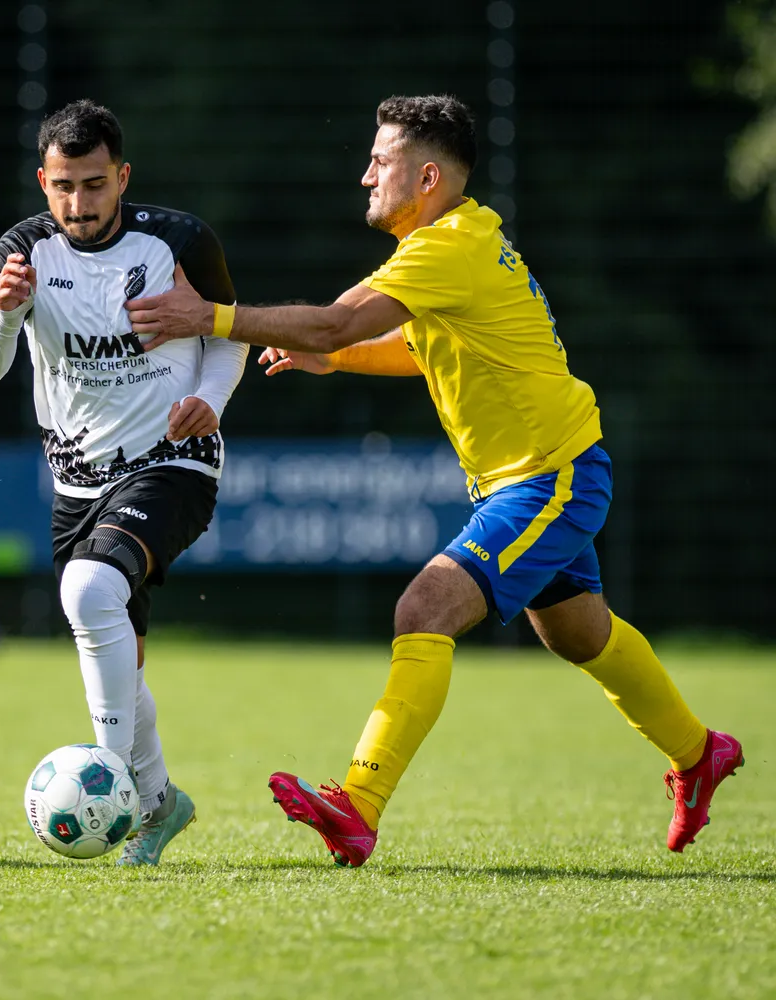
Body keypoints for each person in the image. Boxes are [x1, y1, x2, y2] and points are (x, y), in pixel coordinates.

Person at [126, 94, 742, 868]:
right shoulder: (458, 243)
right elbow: (419, 348)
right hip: (532, 473)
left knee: (425, 605)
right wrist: (339, 356)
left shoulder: (444, 248)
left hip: (550, 476)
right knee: (579, 633)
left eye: (378, 162)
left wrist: (206, 316)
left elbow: (331, 320)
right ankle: (700, 754)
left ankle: (359, 804)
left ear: (424, 177)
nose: (363, 177)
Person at [0, 99, 249, 865]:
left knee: (90, 594)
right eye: (63, 187)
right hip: (76, 484)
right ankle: (159, 805)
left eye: (94, 186)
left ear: (122, 176)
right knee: (120, 655)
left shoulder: (180, 241)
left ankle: (111, 777)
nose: (78, 205)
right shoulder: (21, 252)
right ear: (43, 180)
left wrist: (209, 401)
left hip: (173, 461)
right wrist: (2, 316)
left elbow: (229, 335)